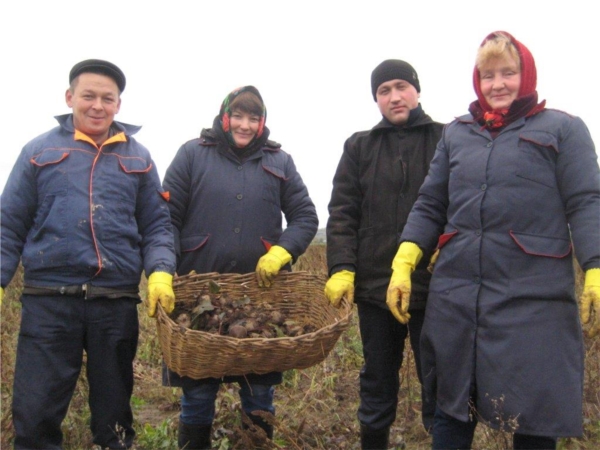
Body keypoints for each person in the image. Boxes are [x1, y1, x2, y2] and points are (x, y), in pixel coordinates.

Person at [386, 31, 600, 450]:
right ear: (476, 80)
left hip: (533, 299)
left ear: (528, 74)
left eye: (508, 73)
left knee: (535, 415)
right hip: (458, 296)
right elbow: (431, 201)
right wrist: (405, 258)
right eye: (487, 76)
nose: (497, 84)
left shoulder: (563, 129)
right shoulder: (457, 134)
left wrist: (595, 265)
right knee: (452, 407)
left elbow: (586, 201)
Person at [0, 59, 177, 449]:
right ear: (70, 97)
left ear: (118, 105)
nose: (97, 105)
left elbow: (157, 226)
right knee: (35, 414)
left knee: (113, 419)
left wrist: (161, 272)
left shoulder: (139, 157)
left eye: (107, 99)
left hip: (113, 303)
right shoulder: (38, 151)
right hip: (49, 301)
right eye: (89, 96)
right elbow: (8, 223)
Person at [161, 85, 318, 449]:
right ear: (224, 116)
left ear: (263, 122)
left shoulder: (280, 161)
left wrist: (282, 252)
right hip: (198, 295)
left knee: (259, 394)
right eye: (239, 116)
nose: (245, 125)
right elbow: (165, 218)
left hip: (260, 299)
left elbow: (305, 216)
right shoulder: (191, 155)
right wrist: (164, 269)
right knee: (197, 396)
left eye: (254, 118)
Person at [324, 59, 443, 449]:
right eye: (383, 91)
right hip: (376, 289)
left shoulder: (448, 138)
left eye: (400, 86)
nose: (394, 97)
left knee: (439, 380)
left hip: (435, 289)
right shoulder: (359, 146)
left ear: (417, 90)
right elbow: (342, 214)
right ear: (376, 99)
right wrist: (342, 267)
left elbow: (461, 205)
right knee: (377, 380)